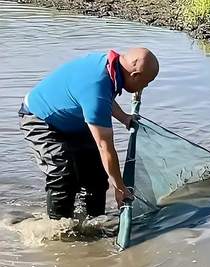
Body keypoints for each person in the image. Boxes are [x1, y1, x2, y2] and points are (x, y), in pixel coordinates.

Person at [19, 48, 159, 219]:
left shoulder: (111, 68)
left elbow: (103, 98)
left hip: (73, 119)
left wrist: (123, 118)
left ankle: (95, 223)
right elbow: (105, 146)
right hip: (41, 118)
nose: (146, 86)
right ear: (135, 75)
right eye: (147, 81)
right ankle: (59, 233)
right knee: (63, 175)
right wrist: (120, 189)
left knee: (97, 178)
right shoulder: (96, 86)